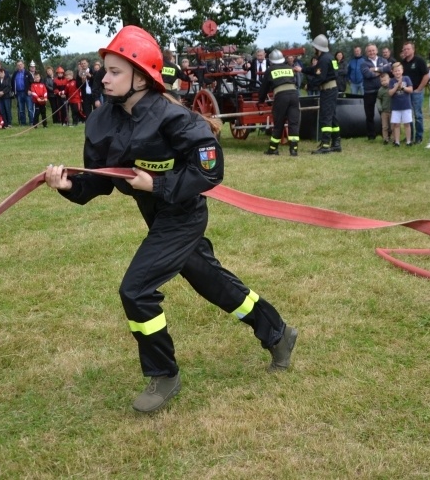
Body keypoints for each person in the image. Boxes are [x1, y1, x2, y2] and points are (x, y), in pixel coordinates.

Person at [44, 25, 297, 413]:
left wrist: (159, 185)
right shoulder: (100, 123)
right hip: (156, 214)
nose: (103, 78)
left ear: (141, 77)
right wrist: (67, 186)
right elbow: (97, 183)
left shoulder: (174, 118)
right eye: (104, 70)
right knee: (211, 282)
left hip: (182, 214)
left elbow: (210, 171)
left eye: (114, 71)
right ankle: (278, 333)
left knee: (136, 290)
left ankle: (164, 374)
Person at [296, 34, 340, 153]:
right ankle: (336, 143)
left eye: (315, 47)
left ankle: (325, 145)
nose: (314, 49)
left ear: (318, 48)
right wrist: (302, 69)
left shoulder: (324, 59)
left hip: (328, 90)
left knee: (325, 116)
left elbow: (320, 77)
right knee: (332, 116)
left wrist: (309, 86)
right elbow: (316, 70)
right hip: (332, 89)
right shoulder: (329, 57)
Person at [258, 49, 300, 156]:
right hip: (294, 95)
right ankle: (294, 149)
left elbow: (264, 88)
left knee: (279, 123)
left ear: (271, 61)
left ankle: (273, 149)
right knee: (293, 122)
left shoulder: (270, 70)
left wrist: (261, 101)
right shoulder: (289, 68)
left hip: (282, 97)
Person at [399, 41, 430, 144]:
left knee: (417, 115)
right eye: (404, 49)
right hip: (406, 93)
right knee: (408, 115)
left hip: (416, 92)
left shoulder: (419, 61)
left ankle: (419, 137)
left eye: (408, 49)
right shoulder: (402, 63)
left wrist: (420, 88)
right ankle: (410, 136)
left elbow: (426, 75)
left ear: (413, 49)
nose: (406, 51)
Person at [360, 44, 391, 142]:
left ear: (377, 51)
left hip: (382, 91)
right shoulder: (363, 63)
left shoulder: (383, 60)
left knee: (384, 112)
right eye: (369, 51)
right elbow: (367, 74)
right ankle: (371, 135)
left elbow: (387, 69)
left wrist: (375, 69)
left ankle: (386, 134)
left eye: (373, 50)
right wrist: (379, 72)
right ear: (366, 53)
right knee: (369, 114)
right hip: (369, 91)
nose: (371, 52)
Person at [388, 62, 413, 147]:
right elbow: (390, 93)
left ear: (402, 71)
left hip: (406, 105)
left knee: (407, 124)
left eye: (399, 70)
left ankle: (408, 141)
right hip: (396, 107)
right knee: (396, 124)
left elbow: (410, 90)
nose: (397, 72)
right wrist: (396, 86)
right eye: (395, 71)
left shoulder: (406, 78)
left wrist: (402, 87)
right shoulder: (391, 81)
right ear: (392, 72)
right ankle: (397, 142)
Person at [12, 60, 34, 125]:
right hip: (19, 93)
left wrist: (30, 90)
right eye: (18, 65)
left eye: (21, 64)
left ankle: (32, 122)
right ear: (17, 66)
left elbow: (32, 82)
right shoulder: (15, 73)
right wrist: (14, 91)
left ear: (23, 65)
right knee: (21, 110)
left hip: (27, 93)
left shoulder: (27, 73)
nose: (20, 66)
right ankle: (23, 123)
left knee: (30, 108)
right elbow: (12, 83)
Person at [376, 72, 392, 144]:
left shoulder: (392, 87)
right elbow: (378, 98)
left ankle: (394, 138)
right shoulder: (380, 90)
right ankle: (385, 139)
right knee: (385, 126)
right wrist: (380, 107)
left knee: (393, 126)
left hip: (392, 110)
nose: (383, 82)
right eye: (382, 81)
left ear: (389, 79)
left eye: (385, 80)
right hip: (384, 111)